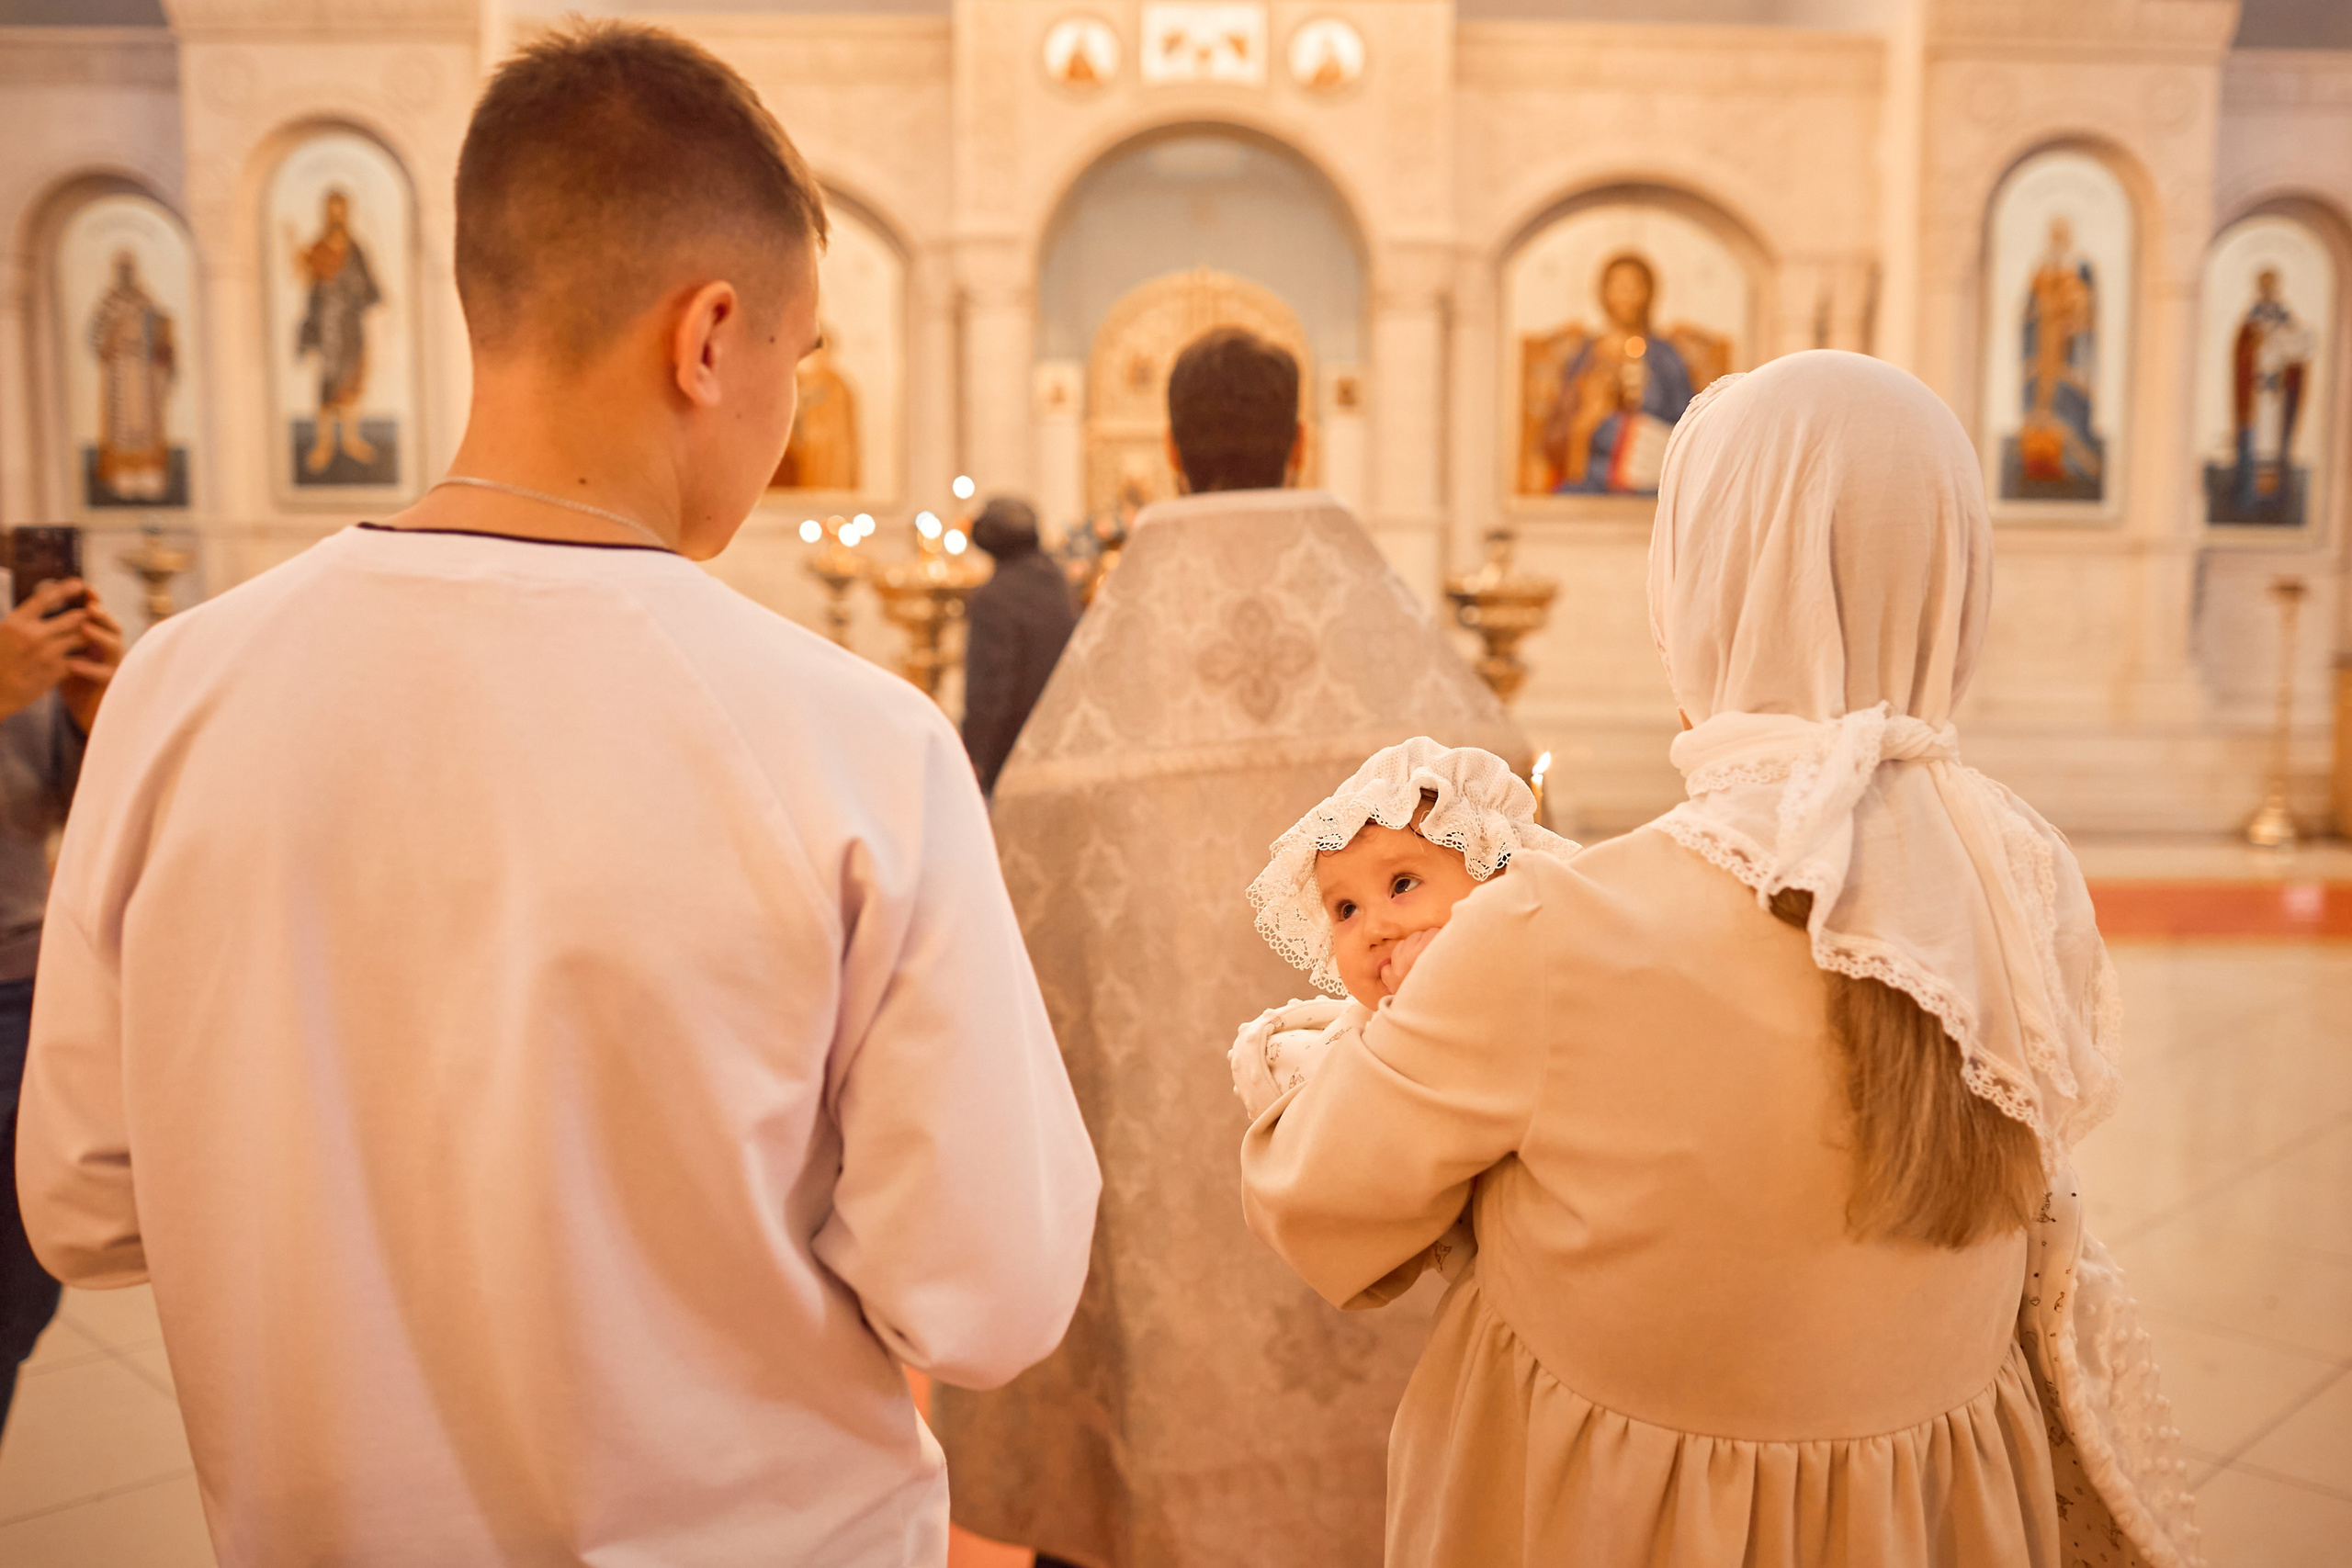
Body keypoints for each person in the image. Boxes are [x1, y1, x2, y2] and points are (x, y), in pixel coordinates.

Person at [17, 24, 1098, 1566]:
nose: (790, 406)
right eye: (799, 360)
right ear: (708, 338)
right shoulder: (855, 744)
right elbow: (989, 1295)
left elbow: (82, 1201)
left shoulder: (174, 694)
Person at [1241, 352, 2200, 1567]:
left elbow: (1319, 1196)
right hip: (1928, 1514)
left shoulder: (1551, 928)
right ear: (1955, 575)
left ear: (1699, 585)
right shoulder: (2021, 885)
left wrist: (1331, 1050)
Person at [929, 328, 1524, 1568]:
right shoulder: (1391, 655)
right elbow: (1511, 810)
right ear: (1303, 439)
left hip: (1167, 1204)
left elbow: (1018, 916)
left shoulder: (1086, 728)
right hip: (1376, 1186)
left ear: (1169, 450)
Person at [0, 576, 121, 1434]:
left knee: (16, 1298)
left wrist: (94, 718)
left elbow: (69, 812)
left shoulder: (15, 609)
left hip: (23, 984)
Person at [960, 495, 1077, 795]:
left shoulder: (995, 596)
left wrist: (973, 757)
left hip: (1012, 751)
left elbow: (990, 688)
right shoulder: (1056, 579)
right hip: (1058, 738)